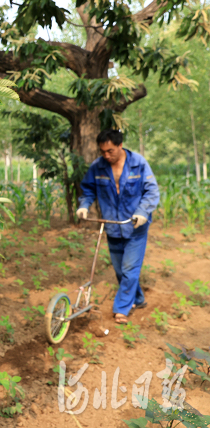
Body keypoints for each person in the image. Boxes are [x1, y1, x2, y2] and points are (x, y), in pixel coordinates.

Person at [76, 129, 160, 325]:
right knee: (121, 271)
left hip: (135, 227)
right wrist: (84, 205)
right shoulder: (98, 167)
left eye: (110, 151)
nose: (106, 155)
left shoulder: (139, 164)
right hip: (113, 226)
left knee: (130, 270)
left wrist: (142, 211)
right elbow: (88, 189)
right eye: (103, 152)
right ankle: (137, 299)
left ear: (120, 145)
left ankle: (121, 309)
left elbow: (151, 191)